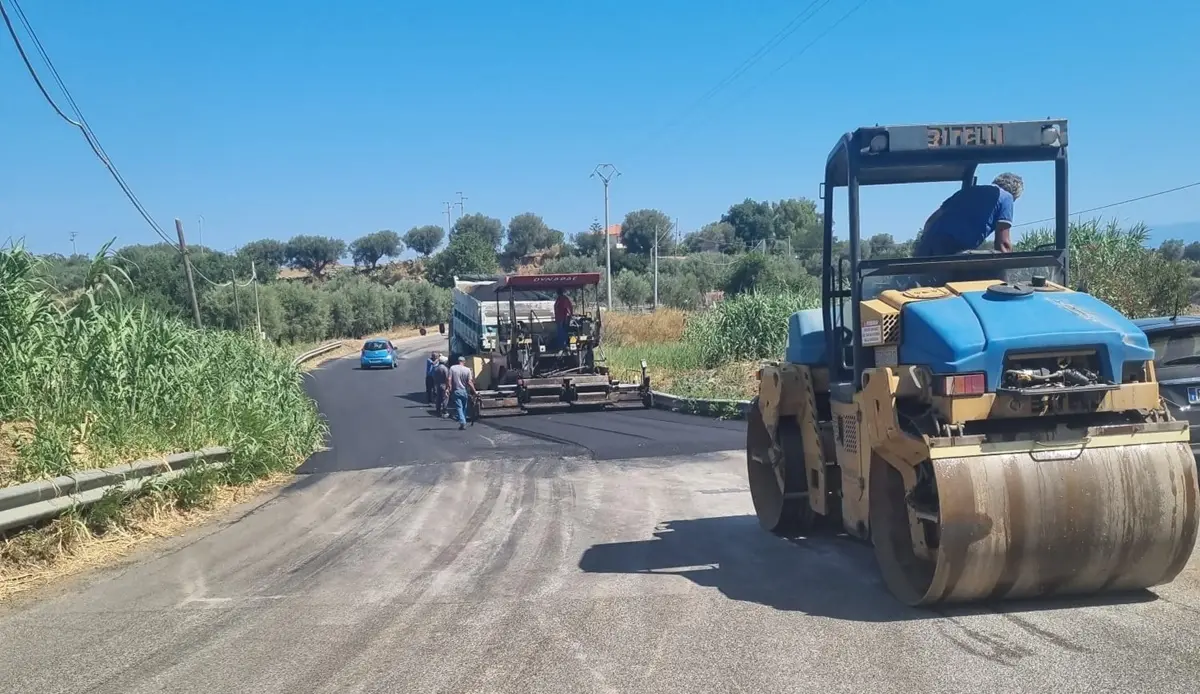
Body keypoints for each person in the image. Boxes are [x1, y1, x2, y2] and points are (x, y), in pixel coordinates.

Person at [913, 173, 1023, 257]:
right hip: (951, 253)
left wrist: (924, 245)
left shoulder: (967, 191)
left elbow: (931, 221)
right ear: (1015, 193)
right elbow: (1003, 245)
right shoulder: (1006, 197)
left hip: (927, 248)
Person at [447, 355, 476, 430]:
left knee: (459, 407)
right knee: (464, 407)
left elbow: (449, 378)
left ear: (458, 361)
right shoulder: (467, 370)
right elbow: (469, 382)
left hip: (456, 390)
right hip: (464, 391)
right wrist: (474, 391)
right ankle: (463, 421)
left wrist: (449, 387)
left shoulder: (452, 368)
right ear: (464, 362)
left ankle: (462, 422)